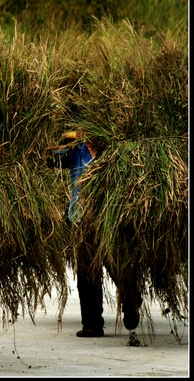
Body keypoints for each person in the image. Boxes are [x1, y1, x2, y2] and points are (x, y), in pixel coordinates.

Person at [48, 131, 142, 344]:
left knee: (117, 265)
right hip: (82, 220)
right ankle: (91, 324)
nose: (89, 136)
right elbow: (52, 160)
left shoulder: (114, 151)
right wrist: (60, 139)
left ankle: (132, 298)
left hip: (109, 220)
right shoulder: (75, 151)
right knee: (87, 273)